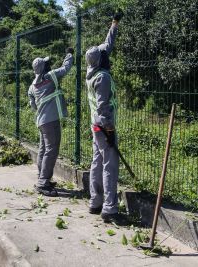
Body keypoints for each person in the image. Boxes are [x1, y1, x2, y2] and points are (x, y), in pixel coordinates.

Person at [85, 10, 123, 223]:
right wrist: (109, 129)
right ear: (101, 60)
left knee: (97, 162)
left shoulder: (92, 71)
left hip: (95, 126)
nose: (107, 53)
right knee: (109, 165)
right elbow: (102, 107)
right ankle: (110, 208)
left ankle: (95, 202)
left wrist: (114, 24)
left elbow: (105, 47)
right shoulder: (104, 77)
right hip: (103, 125)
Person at [28, 49, 74, 197]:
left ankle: (43, 178)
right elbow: (66, 68)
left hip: (41, 121)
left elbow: (33, 105)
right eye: (46, 64)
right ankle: (43, 183)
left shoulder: (32, 86)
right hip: (51, 121)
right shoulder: (52, 76)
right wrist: (69, 55)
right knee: (51, 150)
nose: (49, 65)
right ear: (44, 68)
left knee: (43, 149)